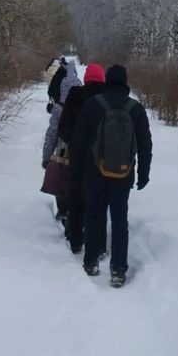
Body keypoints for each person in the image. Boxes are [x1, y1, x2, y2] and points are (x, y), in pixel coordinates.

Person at [69, 63, 152, 287]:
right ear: (125, 82)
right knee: (119, 220)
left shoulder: (92, 105)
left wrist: (75, 173)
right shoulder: (136, 108)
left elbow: (78, 142)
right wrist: (143, 174)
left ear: (107, 81)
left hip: (93, 172)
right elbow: (145, 144)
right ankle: (118, 269)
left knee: (93, 215)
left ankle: (91, 261)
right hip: (123, 175)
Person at [56, 63, 107, 255]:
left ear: (86, 78)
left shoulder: (75, 96)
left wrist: (74, 142)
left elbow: (62, 128)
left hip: (76, 155)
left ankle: (76, 239)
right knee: (98, 201)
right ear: (102, 78)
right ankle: (100, 245)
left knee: (76, 197)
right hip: (102, 158)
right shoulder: (107, 98)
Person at [42, 60, 80, 223]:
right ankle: (74, 210)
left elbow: (52, 133)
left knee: (61, 178)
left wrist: (46, 156)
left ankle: (63, 210)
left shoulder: (58, 108)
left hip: (62, 150)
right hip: (80, 150)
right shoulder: (86, 105)